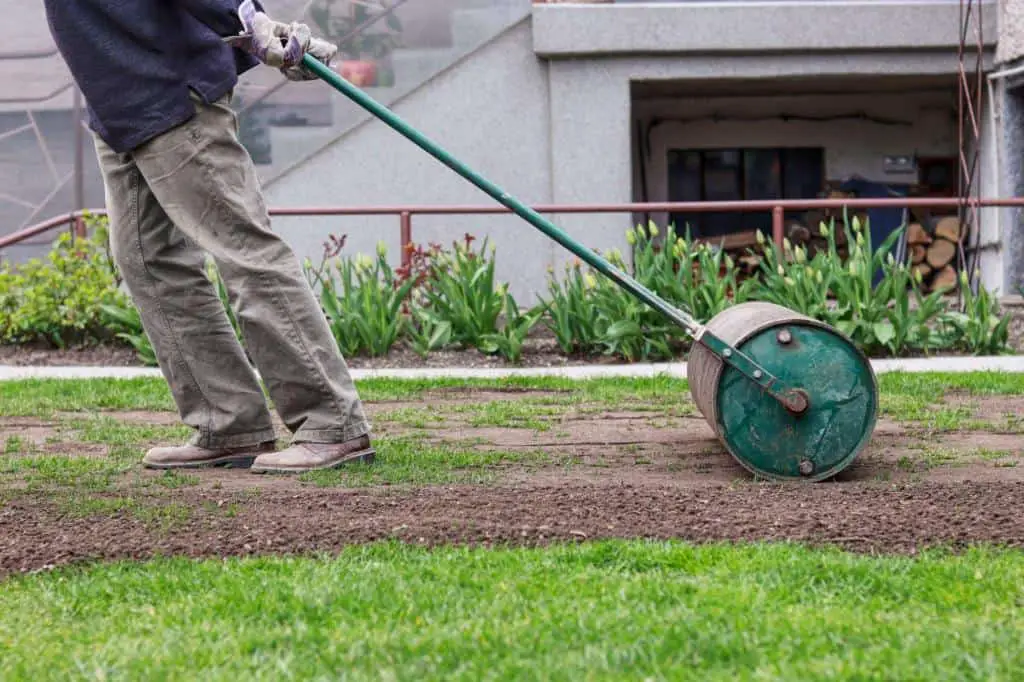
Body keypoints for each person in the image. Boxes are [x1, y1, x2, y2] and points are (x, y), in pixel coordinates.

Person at [42, 0, 375, 474]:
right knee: (147, 259)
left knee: (243, 248)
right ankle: (229, 422)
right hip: (117, 98)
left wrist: (245, 18)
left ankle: (331, 425)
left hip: (168, 88)